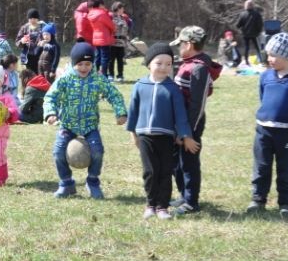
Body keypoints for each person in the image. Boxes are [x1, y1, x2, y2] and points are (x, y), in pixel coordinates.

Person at [43, 42, 128, 199]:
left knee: (97, 152)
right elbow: (50, 96)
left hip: (90, 126)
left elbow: (114, 95)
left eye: (88, 64)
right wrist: (50, 113)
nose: (84, 68)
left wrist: (121, 112)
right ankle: (66, 183)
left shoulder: (98, 79)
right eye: (80, 64)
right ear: (74, 63)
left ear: (93, 63)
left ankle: (93, 181)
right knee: (58, 153)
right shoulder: (65, 79)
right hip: (67, 125)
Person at [125, 43, 199, 220]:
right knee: (150, 172)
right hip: (145, 137)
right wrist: (133, 134)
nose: (164, 67)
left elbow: (180, 115)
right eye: (159, 63)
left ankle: (162, 207)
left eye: (168, 63)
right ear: (149, 63)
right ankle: (151, 204)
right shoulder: (139, 85)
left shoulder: (173, 89)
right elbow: (133, 111)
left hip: (166, 138)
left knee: (165, 172)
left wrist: (185, 136)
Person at [247, 32, 288, 215]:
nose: (270, 59)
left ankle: (285, 204)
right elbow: (263, 97)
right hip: (263, 131)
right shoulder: (265, 77)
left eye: (274, 55)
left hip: (286, 133)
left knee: (285, 169)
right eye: (269, 55)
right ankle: (258, 200)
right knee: (261, 166)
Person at [168, 27, 222, 215]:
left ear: (189, 45)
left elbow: (197, 105)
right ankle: (183, 194)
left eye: (180, 45)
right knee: (177, 161)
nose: (178, 49)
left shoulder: (199, 68)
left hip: (191, 125)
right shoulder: (187, 63)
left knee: (189, 162)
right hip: (179, 123)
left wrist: (187, 133)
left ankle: (191, 202)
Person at [87, 0, 116, 78]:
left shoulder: (90, 14)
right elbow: (111, 25)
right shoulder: (102, 13)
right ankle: (104, 74)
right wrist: (114, 29)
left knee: (98, 56)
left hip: (95, 37)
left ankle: (96, 71)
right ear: (99, 5)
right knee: (105, 57)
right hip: (104, 37)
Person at [236, 0, 264, 65]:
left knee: (246, 48)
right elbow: (260, 24)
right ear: (252, 6)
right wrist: (259, 31)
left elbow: (238, 25)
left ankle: (246, 61)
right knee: (257, 47)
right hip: (255, 34)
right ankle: (261, 60)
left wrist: (241, 30)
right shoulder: (257, 14)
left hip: (245, 34)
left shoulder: (242, 14)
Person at [110, 1, 132, 82]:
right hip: (113, 42)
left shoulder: (124, 18)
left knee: (120, 60)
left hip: (122, 43)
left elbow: (127, 28)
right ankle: (111, 75)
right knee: (111, 60)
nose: (123, 10)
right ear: (118, 8)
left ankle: (120, 75)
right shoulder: (111, 17)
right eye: (122, 8)